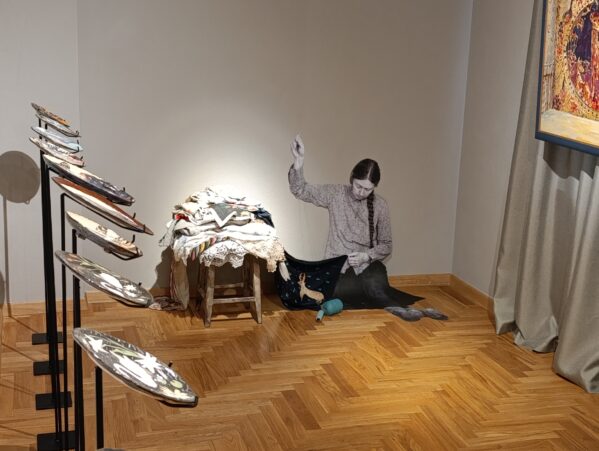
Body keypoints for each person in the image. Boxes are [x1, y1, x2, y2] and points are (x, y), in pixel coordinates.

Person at [288, 135, 423, 310]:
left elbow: (387, 245)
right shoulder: (335, 194)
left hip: (367, 269)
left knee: (375, 289)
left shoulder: (380, 205)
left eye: (367, 189)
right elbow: (300, 190)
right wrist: (299, 161)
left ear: (374, 187)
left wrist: (366, 256)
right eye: (358, 186)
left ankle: (393, 305)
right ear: (352, 178)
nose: (361, 192)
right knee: (334, 292)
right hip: (339, 269)